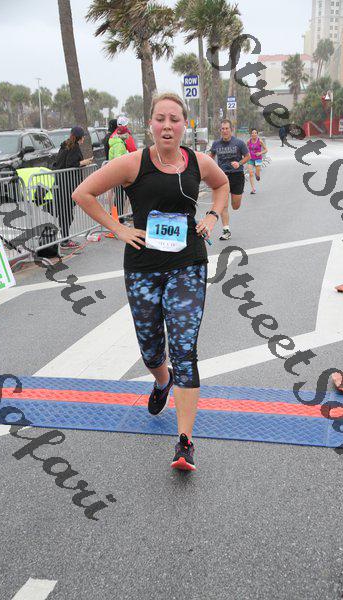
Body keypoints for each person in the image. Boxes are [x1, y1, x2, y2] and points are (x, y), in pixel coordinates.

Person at [72, 92, 228, 472]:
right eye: (161, 119)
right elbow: (83, 193)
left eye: (175, 119)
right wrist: (118, 229)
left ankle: (185, 443)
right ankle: (162, 380)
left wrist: (212, 216)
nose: (167, 126)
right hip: (143, 268)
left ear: (185, 124)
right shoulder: (132, 163)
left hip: (188, 264)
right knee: (151, 350)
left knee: (185, 350)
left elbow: (222, 185)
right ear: (151, 125)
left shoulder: (199, 162)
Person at [208, 119, 250, 240]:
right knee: (223, 205)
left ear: (231, 130)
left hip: (237, 175)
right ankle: (226, 230)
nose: (225, 131)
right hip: (222, 177)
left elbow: (248, 156)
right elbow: (210, 157)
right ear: (220, 130)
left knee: (235, 206)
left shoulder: (239, 143)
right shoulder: (216, 144)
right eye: (223, 129)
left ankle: (235, 200)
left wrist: (239, 163)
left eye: (227, 128)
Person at [54, 126, 93, 249]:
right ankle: (65, 240)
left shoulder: (65, 145)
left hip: (61, 183)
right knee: (66, 214)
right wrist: (84, 162)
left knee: (65, 213)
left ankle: (65, 239)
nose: (84, 139)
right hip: (66, 185)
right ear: (80, 137)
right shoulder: (73, 147)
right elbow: (71, 164)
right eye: (83, 137)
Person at [247, 129, 268, 195]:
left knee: (257, 175)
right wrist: (246, 154)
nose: (254, 134)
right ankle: (253, 189)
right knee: (250, 173)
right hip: (250, 159)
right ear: (251, 134)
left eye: (255, 133)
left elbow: (266, 150)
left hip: (258, 159)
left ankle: (257, 175)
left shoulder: (260, 141)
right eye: (252, 133)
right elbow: (246, 149)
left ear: (257, 134)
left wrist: (260, 153)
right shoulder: (248, 141)